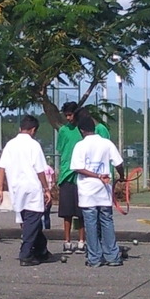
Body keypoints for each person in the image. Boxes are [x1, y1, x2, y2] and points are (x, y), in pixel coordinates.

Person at [0, 114, 54, 265]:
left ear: (20, 128)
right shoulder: (34, 145)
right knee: (32, 221)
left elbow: (1, 167)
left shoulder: (10, 144)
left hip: (16, 188)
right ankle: (25, 254)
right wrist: (46, 188)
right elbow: (40, 170)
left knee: (31, 221)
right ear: (33, 130)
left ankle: (41, 250)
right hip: (31, 187)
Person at [55, 101, 111, 254]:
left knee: (82, 212)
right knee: (66, 212)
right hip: (67, 175)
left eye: (70, 114)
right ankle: (67, 242)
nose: (68, 118)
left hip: (84, 177)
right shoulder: (63, 131)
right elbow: (61, 149)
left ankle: (82, 241)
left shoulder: (87, 131)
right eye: (65, 115)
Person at [70, 110, 124, 267]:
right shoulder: (106, 143)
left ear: (81, 130)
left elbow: (78, 168)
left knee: (91, 224)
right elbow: (119, 163)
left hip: (87, 192)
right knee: (107, 221)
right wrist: (120, 176)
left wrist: (94, 176)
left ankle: (94, 258)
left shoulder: (80, 145)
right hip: (104, 191)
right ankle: (112, 257)